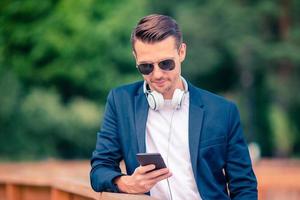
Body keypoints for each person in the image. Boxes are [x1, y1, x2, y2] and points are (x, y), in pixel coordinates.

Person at [90, 14, 257, 200]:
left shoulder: (223, 111)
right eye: (146, 67)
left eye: (166, 63)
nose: (157, 75)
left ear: (181, 52)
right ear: (135, 59)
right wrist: (126, 183)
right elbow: (99, 170)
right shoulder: (120, 102)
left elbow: (244, 186)